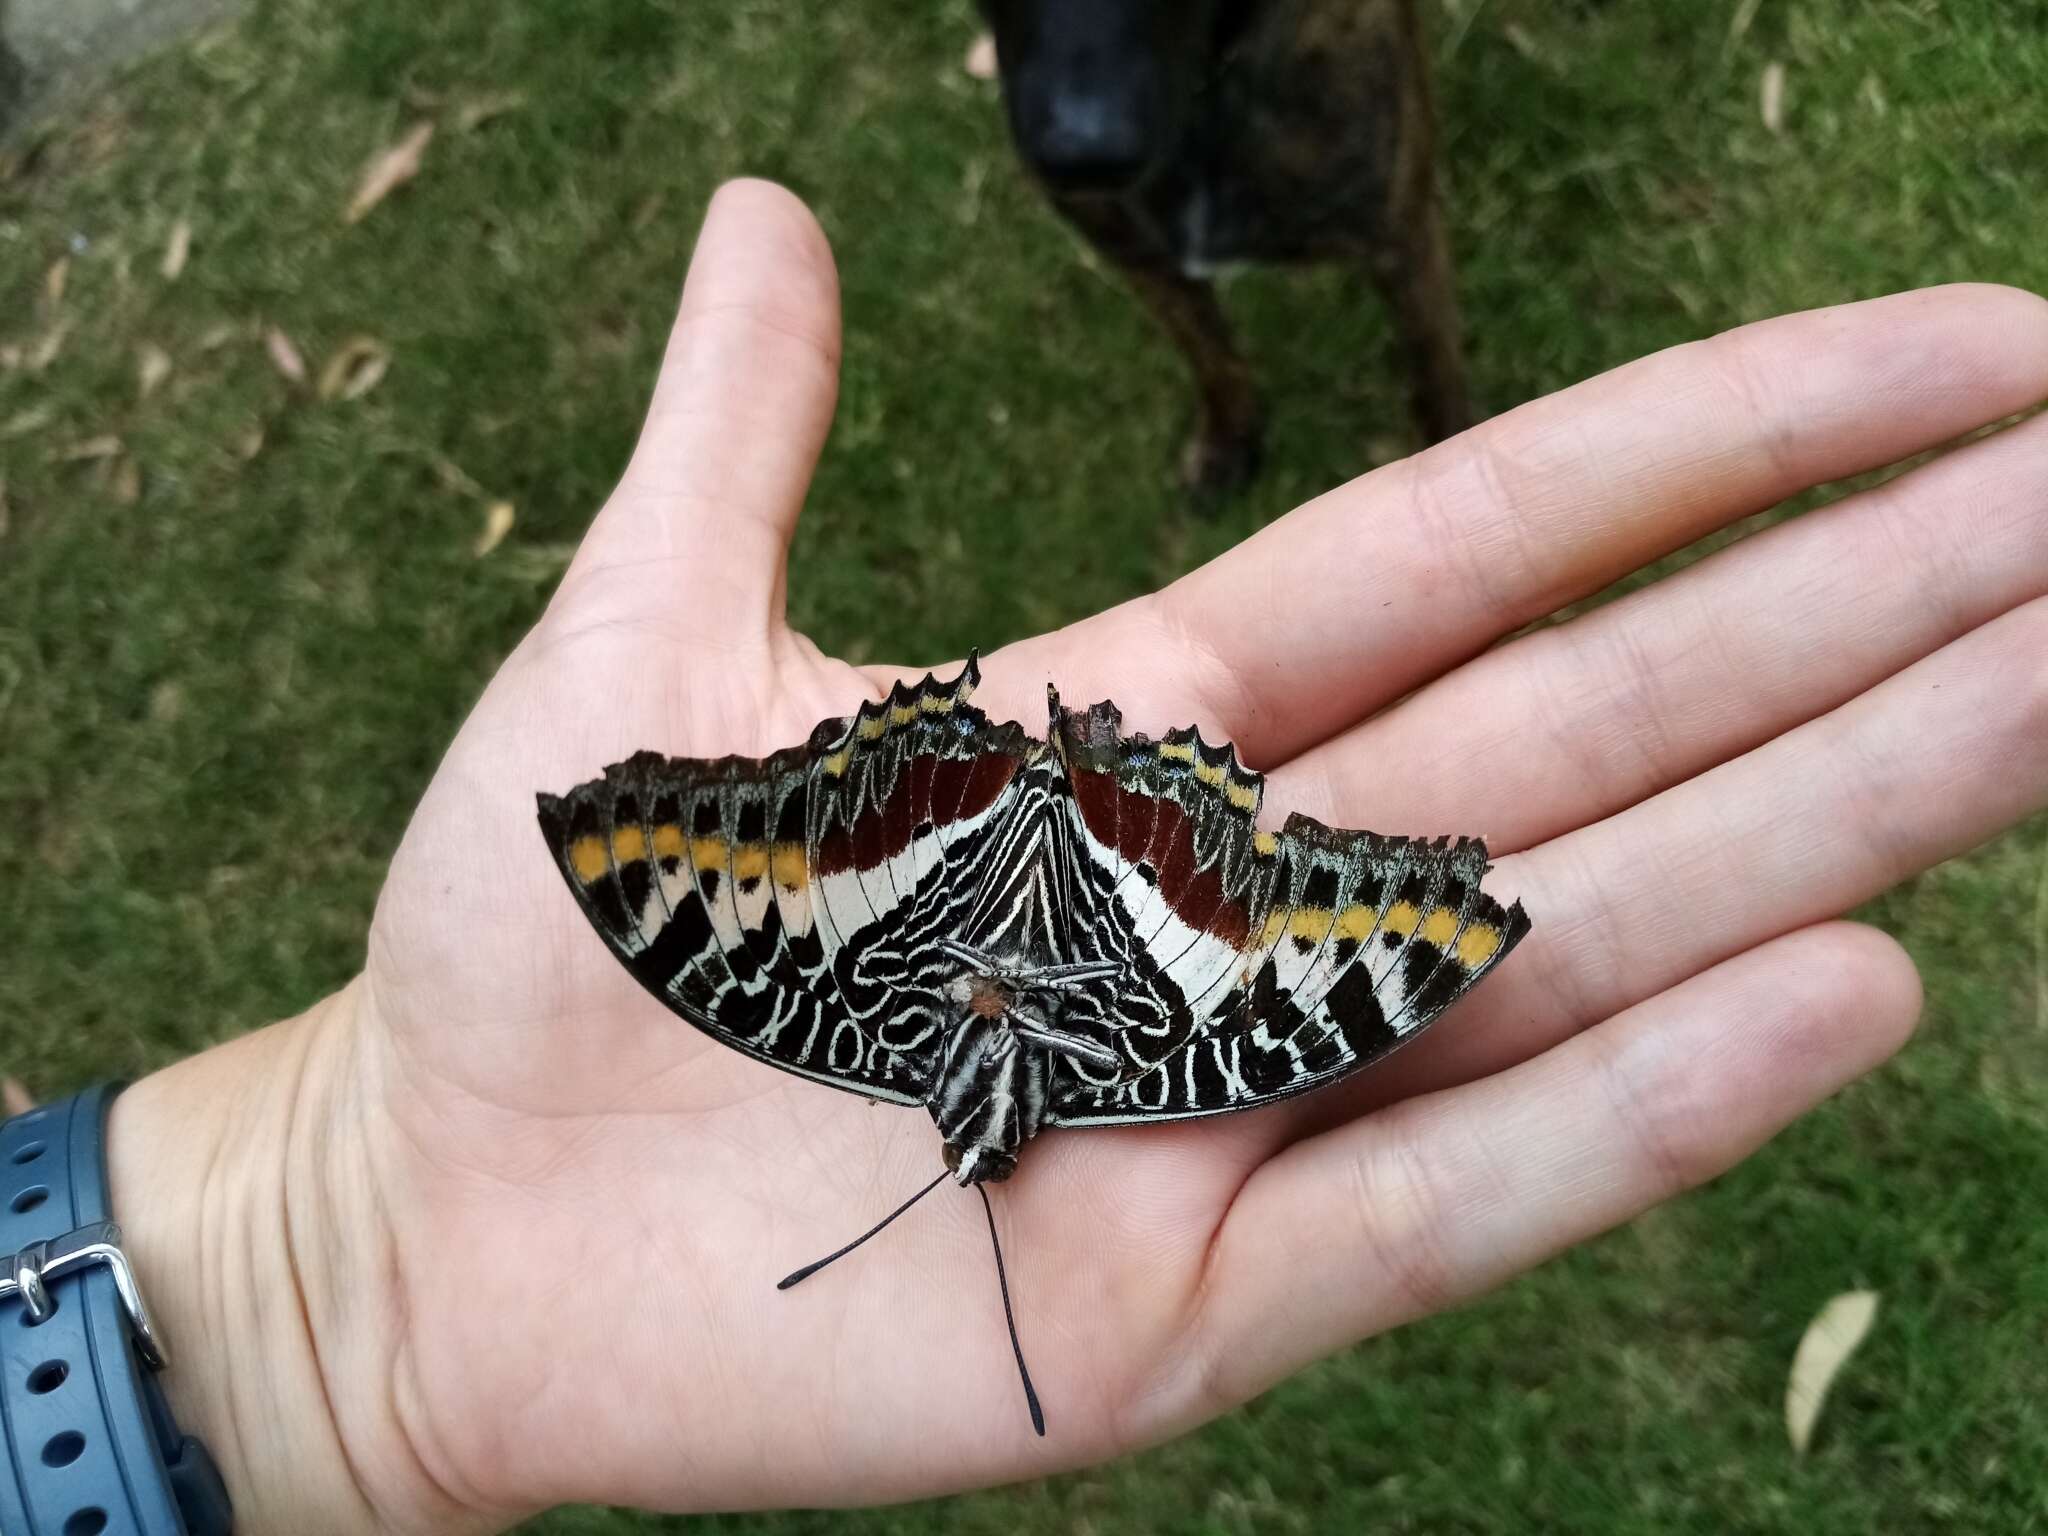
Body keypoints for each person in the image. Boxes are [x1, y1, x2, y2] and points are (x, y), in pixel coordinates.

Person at [40, 180, 2048, 1531]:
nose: (980, 1143)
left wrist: (342, 1240)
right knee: (1280, 1005)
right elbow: (1345, 965)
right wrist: (334, 1269)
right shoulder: (1146, 1060)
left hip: (964, 865)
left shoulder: (840, 1028)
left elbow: (678, 879)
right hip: (1099, 906)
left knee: (796, 944)